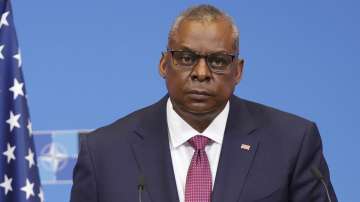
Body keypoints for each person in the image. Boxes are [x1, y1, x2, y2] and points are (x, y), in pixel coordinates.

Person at [70, 4, 337, 202]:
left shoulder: (292, 142)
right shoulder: (104, 152)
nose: (201, 73)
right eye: (186, 58)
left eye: (218, 61)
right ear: (164, 64)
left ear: (238, 71)